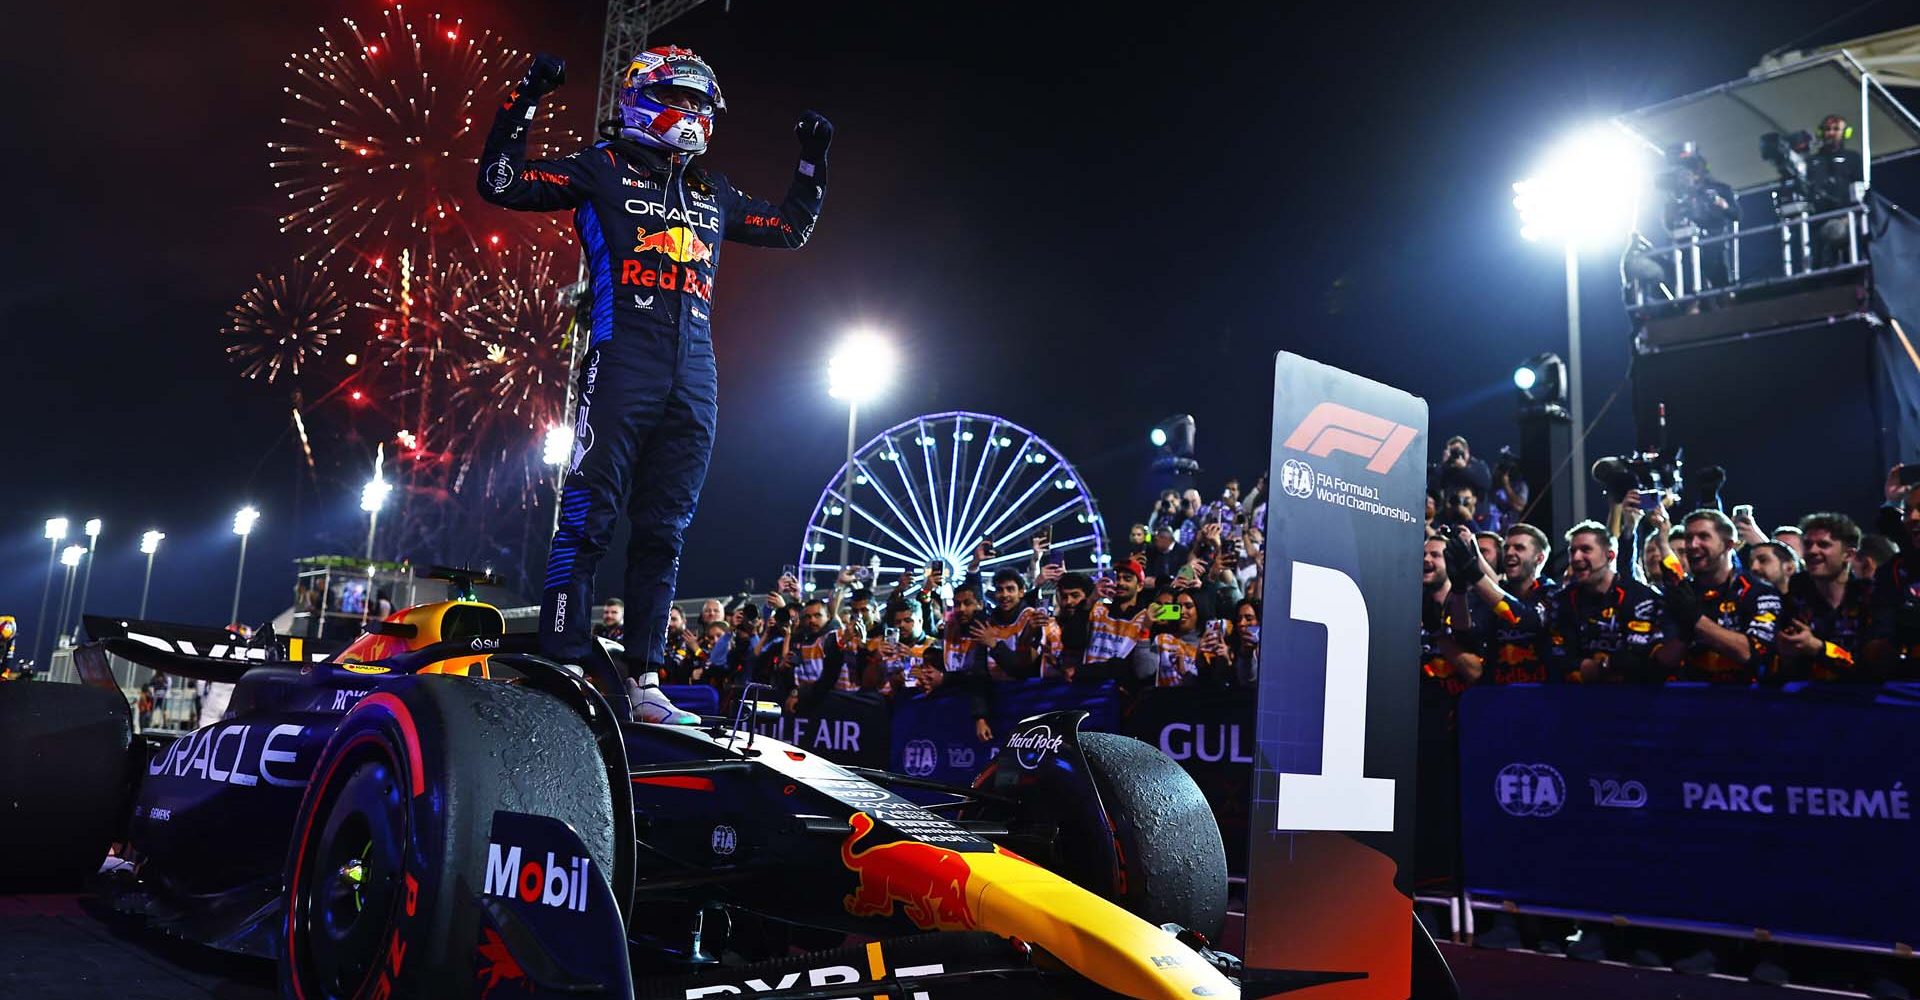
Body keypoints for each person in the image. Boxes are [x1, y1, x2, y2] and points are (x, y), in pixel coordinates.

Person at [478, 48, 832, 724]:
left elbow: (790, 227)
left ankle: (645, 680)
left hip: (695, 375)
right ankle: (564, 661)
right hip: (622, 362)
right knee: (589, 517)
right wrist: (525, 96)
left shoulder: (711, 190)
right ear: (645, 97)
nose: (698, 117)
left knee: (665, 531)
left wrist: (814, 160)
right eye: (687, 101)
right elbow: (498, 182)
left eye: (705, 107)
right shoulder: (601, 167)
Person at [1653, 508, 1781, 684]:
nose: (1692, 545)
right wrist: (1685, 632)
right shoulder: (1681, 595)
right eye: (1689, 538)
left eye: (1703, 537)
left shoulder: (1759, 592)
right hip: (1690, 702)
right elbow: (1663, 662)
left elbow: (1750, 653)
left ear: (1729, 544)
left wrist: (1695, 619)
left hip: (1747, 702)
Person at [1545, 521, 1665, 684]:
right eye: (1572, 551)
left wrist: (1601, 667)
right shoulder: (1561, 600)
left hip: (1635, 698)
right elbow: (1554, 655)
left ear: (1610, 556)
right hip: (1578, 701)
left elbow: (1641, 656)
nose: (1576, 557)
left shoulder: (1640, 596)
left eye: (1586, 550)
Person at [1778, 513, 1876, 682]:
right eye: (1808, 544)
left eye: (1823, 544)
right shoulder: (1795, 596)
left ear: (1849, 555)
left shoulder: (1870, 597)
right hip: (1806, 701)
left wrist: (1817, 648)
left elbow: (1872, 668)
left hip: (1860, 699)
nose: (1812, 551)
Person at [1807, 114, 1865, 268]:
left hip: (1847, 218)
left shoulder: (1853, 157)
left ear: (1845, 133)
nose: (1831, 133)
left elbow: (1861, 190)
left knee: (1848, 253)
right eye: (1827, 129)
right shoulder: (1812, 161)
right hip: (1817, 221)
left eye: (1836, 129)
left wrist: (1851, 216)